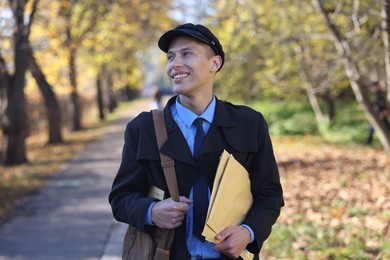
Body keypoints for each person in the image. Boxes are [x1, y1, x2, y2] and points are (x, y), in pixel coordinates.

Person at [109, 23, 284, 260]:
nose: (175, 64)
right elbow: (121, 199)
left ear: (215, 63)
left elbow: (270, 194)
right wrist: (151, 211)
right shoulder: (143, 129)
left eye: (186, 54)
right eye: (171, 57)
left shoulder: (249, 124)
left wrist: (248, 232)